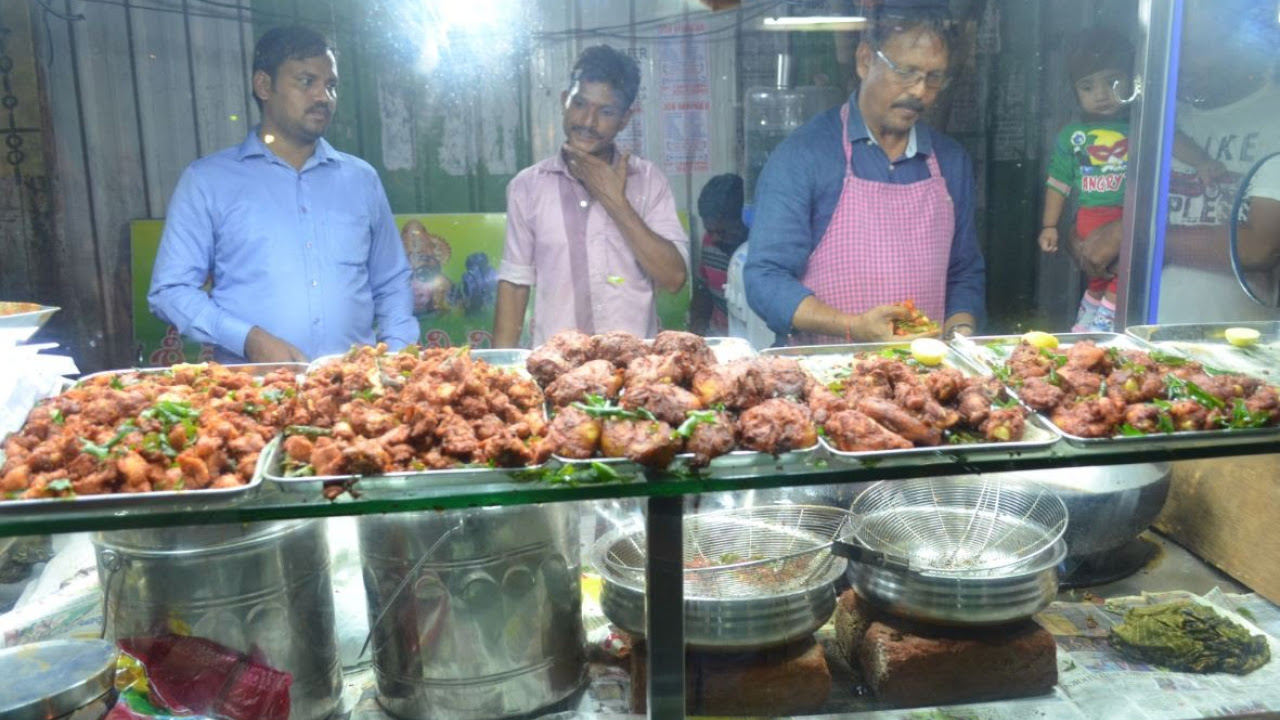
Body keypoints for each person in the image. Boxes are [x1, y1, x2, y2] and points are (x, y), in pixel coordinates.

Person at [148, 26, 417, 363]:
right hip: (253, 396)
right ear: (264, 86)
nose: (323, 97)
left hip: (355, 393)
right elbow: (170, 291)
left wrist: (396, 356)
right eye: (307, 82)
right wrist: (247, 339)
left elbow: (391, 280)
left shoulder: (360, 179)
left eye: (330, 86)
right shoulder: (208, 181)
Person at [744, 0, 984, 345]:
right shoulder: (805, 156)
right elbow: (765, 279)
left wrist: (959, 342)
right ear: (865, 60)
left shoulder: (951, 163)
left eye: (934, 78)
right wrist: (851, 326)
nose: (919, 91)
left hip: (921, 382)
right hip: (822, 380)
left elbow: (964, 273)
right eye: (905, 71)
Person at [1069, 0, 1280, 322]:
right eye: (1184, 46)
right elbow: (1103, 201)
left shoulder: (1273, 116)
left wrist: (1133, 236)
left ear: (1242, 36)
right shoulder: (1158, 111)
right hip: (1132, 336)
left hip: (1225, 348)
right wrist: (1085, 241)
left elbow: (1258, 246)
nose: (1190, 62)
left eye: (1205, 46)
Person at [492, 45, 689, 348]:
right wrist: (500, 373)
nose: (588, 120)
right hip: (557, 370)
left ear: (625, 119)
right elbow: (514, 285)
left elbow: (674, 278)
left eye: (606, 111)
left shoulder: (649, 182)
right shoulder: (528, 187)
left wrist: (615, 201)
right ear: (564, 102)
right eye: (580, 104)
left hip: (633, 375)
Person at [1038, 29, 1134, 332]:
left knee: (1120, 271)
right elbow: (1059, 183)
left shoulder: (1142, 127)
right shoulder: (1072, 136)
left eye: (1113, 82)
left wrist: (1203, 163)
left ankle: (1089, 325)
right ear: (1076, 93)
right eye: (1088, 87)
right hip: (1090, 218)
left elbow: (1178, 143)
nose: (1101, 94)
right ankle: (1101, 322)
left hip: (1123, 217)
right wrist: (1049, 226)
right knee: (1103, 272)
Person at [691, 174, 748, 336]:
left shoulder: (755, 252)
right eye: (710, 230)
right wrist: (697, 329)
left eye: (722, 232)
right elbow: (702, 291)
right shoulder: (709, 241)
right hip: (717, 335)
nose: (714, 238)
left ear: (742, 220)